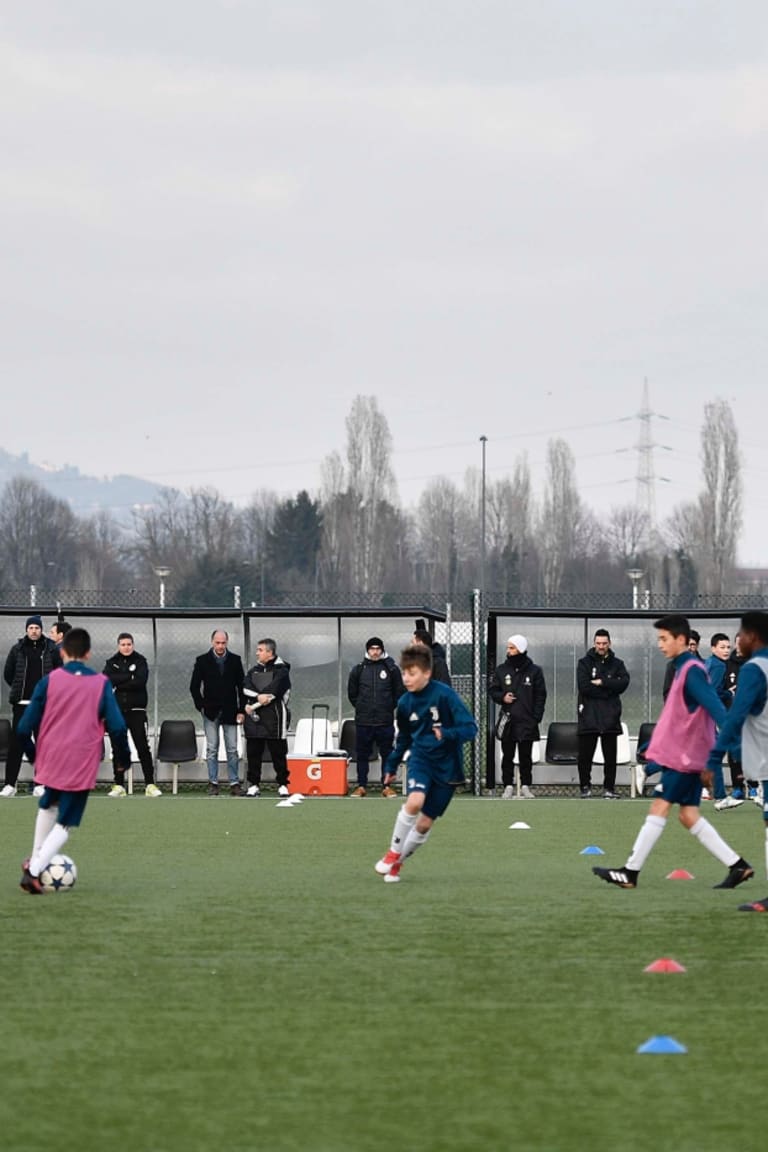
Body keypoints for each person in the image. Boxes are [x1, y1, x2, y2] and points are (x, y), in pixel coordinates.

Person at [593, 615, 753, 893]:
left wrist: (737, 749)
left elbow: (716, 707)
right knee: (688, 815)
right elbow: (677, 718)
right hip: (683, 756)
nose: (660, 644)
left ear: (681, 640)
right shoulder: (683, 668)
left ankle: (630, 872)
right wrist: (653, 747)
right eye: (659, 639)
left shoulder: (691, 670)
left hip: (685, 759)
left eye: (664, 639)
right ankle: (737, 866)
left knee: (659, 807)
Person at [15, 627, 131, 894]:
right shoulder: (101, 683)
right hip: (81, 760)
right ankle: (33, 873)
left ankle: (34, 861)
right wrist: (122, 759)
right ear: (88, 654)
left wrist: (34, 756)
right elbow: (117, 727)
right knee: (66, 820)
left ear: (63, 651)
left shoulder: (48, 681)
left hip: (51, 756)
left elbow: (23, 728)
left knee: (48, 805)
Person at [374, 644, 477, 884]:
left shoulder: (445, 695)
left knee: (424, 823)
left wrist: (447, 734)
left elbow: (470, 729)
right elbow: (404, 740)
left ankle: (397, 863)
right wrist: (391, 766)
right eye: (404, 673)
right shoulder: (405, 704)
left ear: (427, 673)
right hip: (421, 759)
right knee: (415, 800)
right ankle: (392, 853)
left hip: (448, 767)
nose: (406, 679)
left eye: (412, 673)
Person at [705, 612, 768, 912]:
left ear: (754, 637)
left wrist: (714, 756)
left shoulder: (755, 669)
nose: (736, 641)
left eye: (741, 634)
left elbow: (735, 716)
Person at [2, 615, 62, 797]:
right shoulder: (17, 649)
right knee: (16, 745)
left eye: (37, 628)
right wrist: (20, 689)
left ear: (41, 629)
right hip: (22, 705)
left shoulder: (51, 649)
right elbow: (8, 673)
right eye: (31, 628)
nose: (34, 631)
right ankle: (10, 785)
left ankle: (41, 784)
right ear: (26, 630)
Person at [102, 633, 162, 797]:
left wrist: (120, 680)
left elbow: (140, 681)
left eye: (129, 644)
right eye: (123, 644)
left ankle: (150, 784)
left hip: (137, 711)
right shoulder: (111, 662)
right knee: (118, 748)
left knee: (142, 747)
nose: (126, 647)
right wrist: (129, 676)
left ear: (133, 645)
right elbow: (107, 679)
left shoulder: (140, 660)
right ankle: (118, 785)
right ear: (118, 646)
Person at [489, 634, 546, 799]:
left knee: (525, 756)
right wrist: (502, 697)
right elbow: (493, 690)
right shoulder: (501, 669)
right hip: (508, 720)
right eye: (508, 647)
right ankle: (507, 785)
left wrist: (536, 717)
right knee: (507, 755)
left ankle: (526, 786)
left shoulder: (535, 671)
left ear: (521, 649)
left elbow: (541, 695)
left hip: (527, 721)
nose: (509, 650)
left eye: (512, 647)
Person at [190, 630, 245, 796]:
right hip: (210, 712)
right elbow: (194, 686)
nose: (220, 646)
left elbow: (241, 688)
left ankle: (234, 783)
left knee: (232, 749)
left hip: (230, 711)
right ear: (212, 642)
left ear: (227, 642)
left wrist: (241, 710)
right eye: (217, 642)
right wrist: (201, 707)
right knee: (212, 748)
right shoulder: (202, 661)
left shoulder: (235, 660)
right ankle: (213, 783)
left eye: (223, 643)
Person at [347, 636, 404, 797]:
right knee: (362, 753)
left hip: (384, 720)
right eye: (372, 649)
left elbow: (399, 692)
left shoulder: (391, 669)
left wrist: (388, 707)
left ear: (382, 650)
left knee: (387, 754)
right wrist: (361, 707)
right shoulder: (358, 669)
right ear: (367, 650)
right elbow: (352, 694)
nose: (375, 652)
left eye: (378, 649)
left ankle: (386, 786)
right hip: (364, 721)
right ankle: (361, 786)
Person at [576, 628, 630, 798]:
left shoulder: (618, 664)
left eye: (604, 643)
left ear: (609, 644)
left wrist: (602, 682)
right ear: (594, 643)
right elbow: (584, 687)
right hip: (589, 715)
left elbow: (623, 683)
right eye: (598, 643)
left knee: (610, 756)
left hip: (610, 715)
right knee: (585, 755)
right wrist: (609, 689)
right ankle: (585, 786)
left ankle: (609, 788)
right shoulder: (584, 663)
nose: (601, 646)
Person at [243, 638, 291, 797]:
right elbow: (246, 688)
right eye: (257, 650)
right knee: (253, 752)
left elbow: (276, 690)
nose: (257, 653)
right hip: (255, 718)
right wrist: (258, 697)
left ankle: (283, 784)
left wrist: (263, 698)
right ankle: (254, 784)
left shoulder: (282, 671)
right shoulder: (253, 671)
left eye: (260, 650)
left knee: (278, 752)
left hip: (275, 717)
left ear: (270, 653)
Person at [705, 632, 734, 806]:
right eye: (722, 647)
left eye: (728, 647)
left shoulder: (709, 662)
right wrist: (727, 693)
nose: (726, 650)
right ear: (713, 648)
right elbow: (712, 691)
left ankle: (721, 796)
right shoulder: (718, 666)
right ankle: (721, 796)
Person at [662, 629, 701, 701]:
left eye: (692, 645)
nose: (689, 648)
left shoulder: (705, 665)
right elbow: (667, 693)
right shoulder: (672, 666)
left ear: (697, 645)